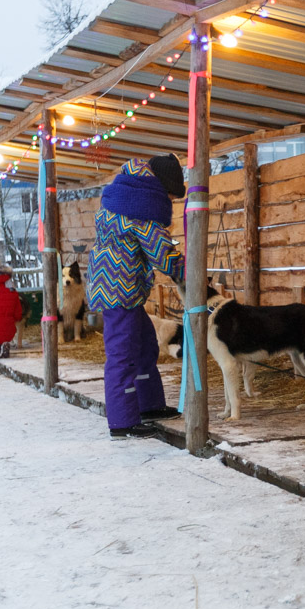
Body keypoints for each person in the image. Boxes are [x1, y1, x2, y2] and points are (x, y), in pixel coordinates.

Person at [87, 155, 186, 439]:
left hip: (115, 285)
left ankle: (149, 405)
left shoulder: (122, 194)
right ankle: (122, 421)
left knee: (143, 346)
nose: (170, 200)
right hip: (120, 289)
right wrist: (188, 270)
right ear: (161, 187)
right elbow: (162, 255)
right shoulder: (142, 208)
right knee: (123, 354)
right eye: (170, 194)